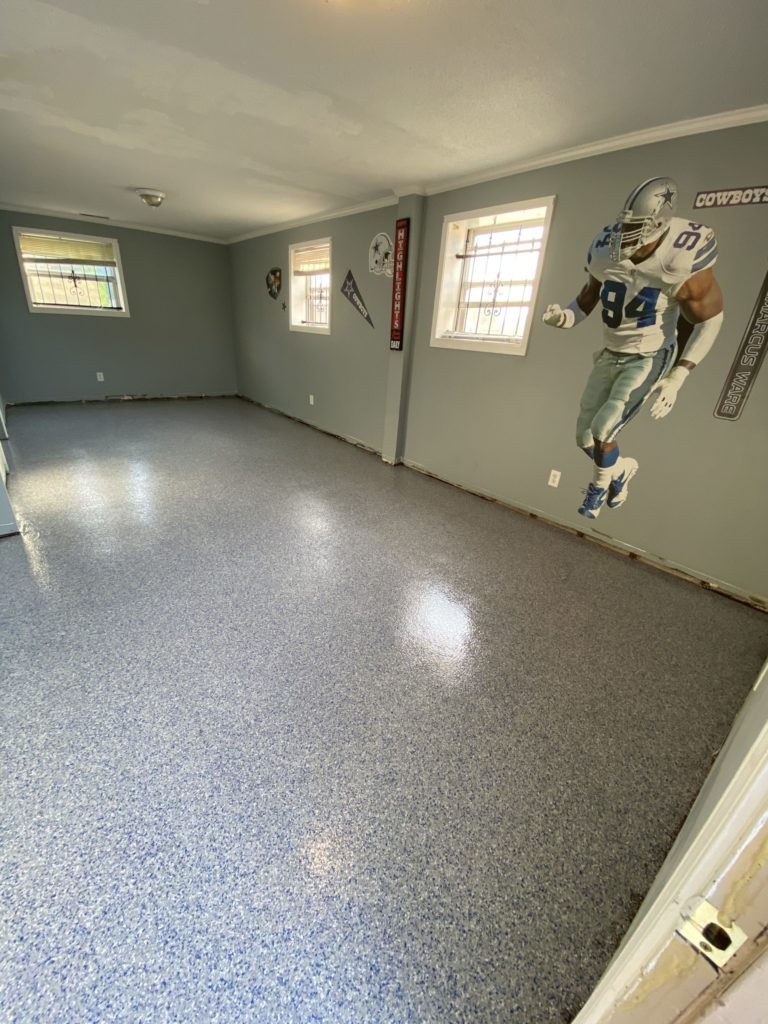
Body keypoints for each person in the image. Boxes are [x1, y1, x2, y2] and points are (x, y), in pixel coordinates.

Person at [542, 176, 724, 519]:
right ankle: (621, 468)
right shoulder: (605, 248)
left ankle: (599, 487)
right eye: (625, 226)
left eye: (636, 228)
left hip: (649, 355)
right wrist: (564, 317)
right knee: (583, 438)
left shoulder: (682, 259)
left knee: (603, 428)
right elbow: (587, 298)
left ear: (659, 225)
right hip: (610, 352)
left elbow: (709, 320)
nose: (624, 236)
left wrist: (678, 377)